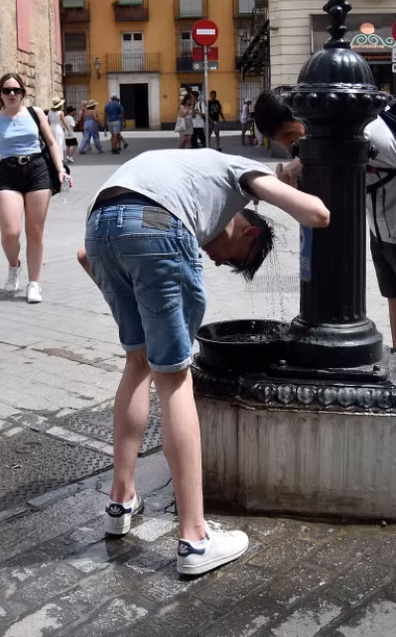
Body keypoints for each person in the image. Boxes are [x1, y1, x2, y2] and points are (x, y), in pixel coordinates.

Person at [76, 148, 330, 575]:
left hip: (99, 228)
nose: (215, 260)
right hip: (156, 227)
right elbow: (317, 215)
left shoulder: (187, 174)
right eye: (232, 258)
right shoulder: (235, 169)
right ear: (248, 231)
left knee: (137, 363)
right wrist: (309, 188)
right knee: (175, 382)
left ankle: (119, 503)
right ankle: (194, 540)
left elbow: (86, 257)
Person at [255, 87, 396, 393]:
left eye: (288, 138)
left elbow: (336, 166)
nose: (289, 147)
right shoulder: (332, 132)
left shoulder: (361, 132)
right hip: (381, 223)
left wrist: (299, 172)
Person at [0, 73, 70, 304]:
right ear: (0, 94)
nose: (12, 94)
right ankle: (14, 265)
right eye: (7, 90)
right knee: (10, 232)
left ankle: (34, 283)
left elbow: (52, 143)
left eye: (16, 90)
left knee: (34, 232)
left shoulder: (36, 114)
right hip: (8, 173)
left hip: (37, 170)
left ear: (23, 93)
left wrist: (60, 169)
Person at [48, 98, 67, 164]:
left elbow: (49, 122)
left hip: (51, 128)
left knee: (52, 143)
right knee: (59, 143)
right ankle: (60, 158)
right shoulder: (60, 113)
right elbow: (64, 122)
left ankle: (52, 157)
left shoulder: (50, 112)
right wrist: (68, 129)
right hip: (58, 128)